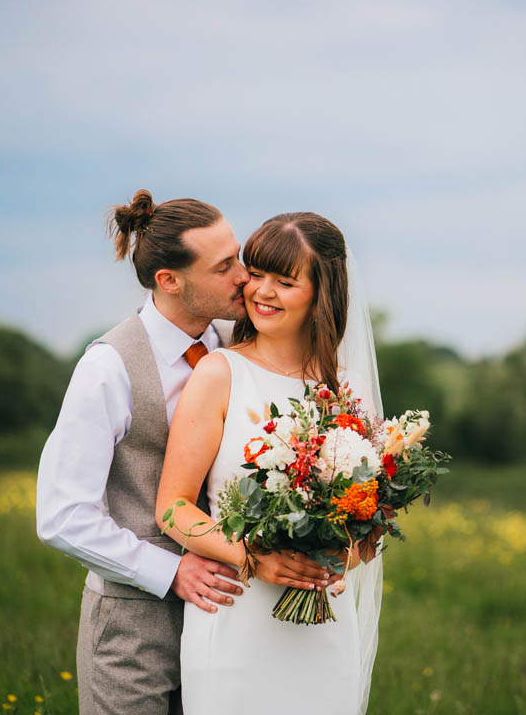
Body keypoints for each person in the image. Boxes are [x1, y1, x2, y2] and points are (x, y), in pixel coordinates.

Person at [36, 191, 332, 715]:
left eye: (238, 255)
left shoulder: (239, 349)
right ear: (170, 281)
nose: (245, 276)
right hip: (134, 627)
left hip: (234, 622)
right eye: (224, 267)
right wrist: (170, 572)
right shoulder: (108, 367)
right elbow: (62, 517)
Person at [155, 212, 380, 715]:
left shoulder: (347, 391)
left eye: (285, 280)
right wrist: (254, 558)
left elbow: (371, 526)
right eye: (256, 273)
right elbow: (171, 508)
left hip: (326, 633)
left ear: (322, 293)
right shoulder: (219, 373)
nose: (262, 291)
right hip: (236, 623)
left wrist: (339, 559)